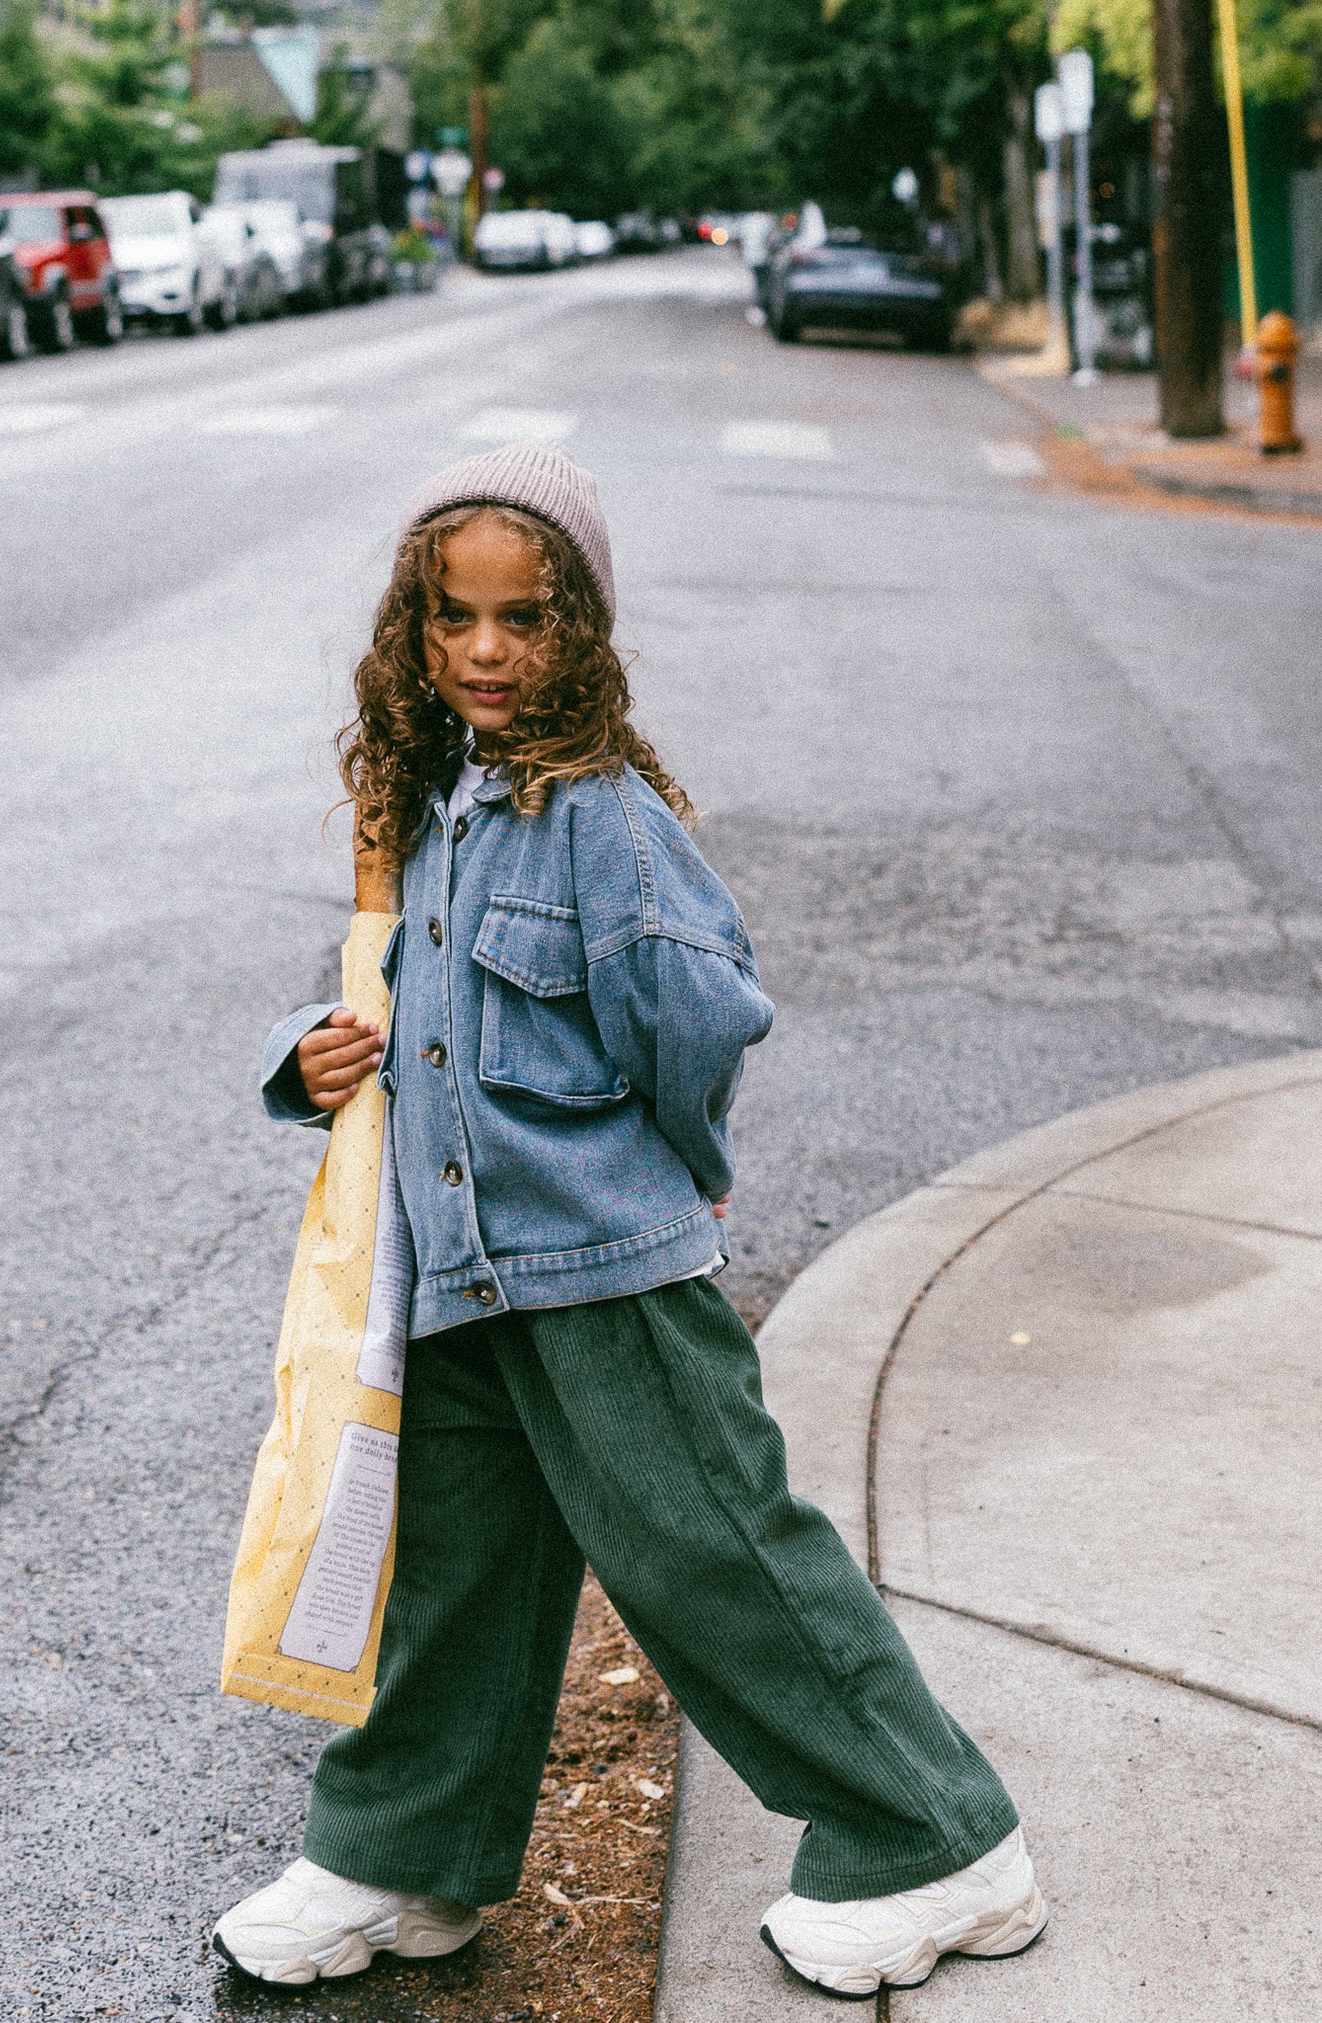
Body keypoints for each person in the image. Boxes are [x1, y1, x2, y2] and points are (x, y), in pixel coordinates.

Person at [214, 443, 1047, 1998]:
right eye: (450, 620)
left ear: (580, 631)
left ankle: (936, 1842)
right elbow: (412, 1002)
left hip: (601, 1266)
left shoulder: (601, 816)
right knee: (455, 1564)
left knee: (708, 1551)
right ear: (410, 629)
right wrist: (312, 1055)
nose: (482, 652)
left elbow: (699, 1017)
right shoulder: (434, 800)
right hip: (452, 1265)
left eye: (522, 620)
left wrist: (682, 1170)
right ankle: (407, 1856)